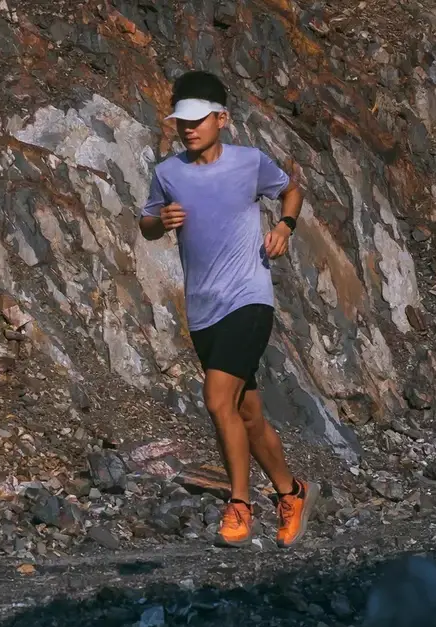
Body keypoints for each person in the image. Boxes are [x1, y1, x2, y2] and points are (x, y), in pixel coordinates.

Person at [138, 69, 319, 549]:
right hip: (202, 311)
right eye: (181, 121)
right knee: (248, 412)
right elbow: (147, 223)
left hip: (249, 297)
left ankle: (240, 503)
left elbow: (292, 189)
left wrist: (284, 226)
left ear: (223, 118)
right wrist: (161, 220)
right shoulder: (168, 172)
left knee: (218, 400)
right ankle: (292, 491)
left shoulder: (249, 162)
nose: (188, 128)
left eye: (198, 120)